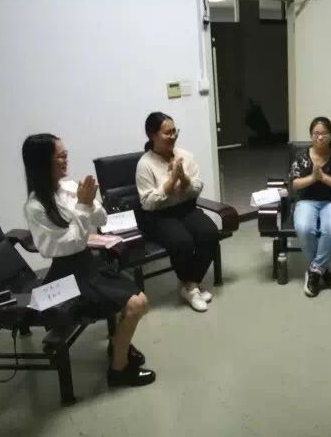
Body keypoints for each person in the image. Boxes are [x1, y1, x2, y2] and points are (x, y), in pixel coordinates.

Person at [22, 134, 155, 387]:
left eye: (66, 154)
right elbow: (65, 245)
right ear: (42, 163)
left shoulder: (69, 187)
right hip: (66, 274)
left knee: (139, 301)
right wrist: (83, 205)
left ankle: (118, 345)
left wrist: (90, 202)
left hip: (87, 263)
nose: (66, 160)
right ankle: (118, 370)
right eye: (60, 156)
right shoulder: (36, 207)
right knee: (136, 305)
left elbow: (102, 220)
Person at [136, 112, 219, 312]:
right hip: (159, 215)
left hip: (186, 209)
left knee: (210, 233)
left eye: (175, 131)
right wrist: (172, 181)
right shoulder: (145, 164)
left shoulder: (185, 156)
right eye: (167, 133)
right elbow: (147, 203)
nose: (173, 136)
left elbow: (197, 187)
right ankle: (192, 287)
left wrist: (184, 178)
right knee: (182, 242)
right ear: (152, 135)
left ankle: (190, 285)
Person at [289, 116, 331, 297]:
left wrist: (323, 178)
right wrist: (313, 178)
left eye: (324, 133)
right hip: (306, 201)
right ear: (311, 135)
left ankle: (314, 271)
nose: (320, 137)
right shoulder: (302, 156)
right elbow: (294, 184)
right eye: (316, 133)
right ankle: (323, 271)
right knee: (304, 227)